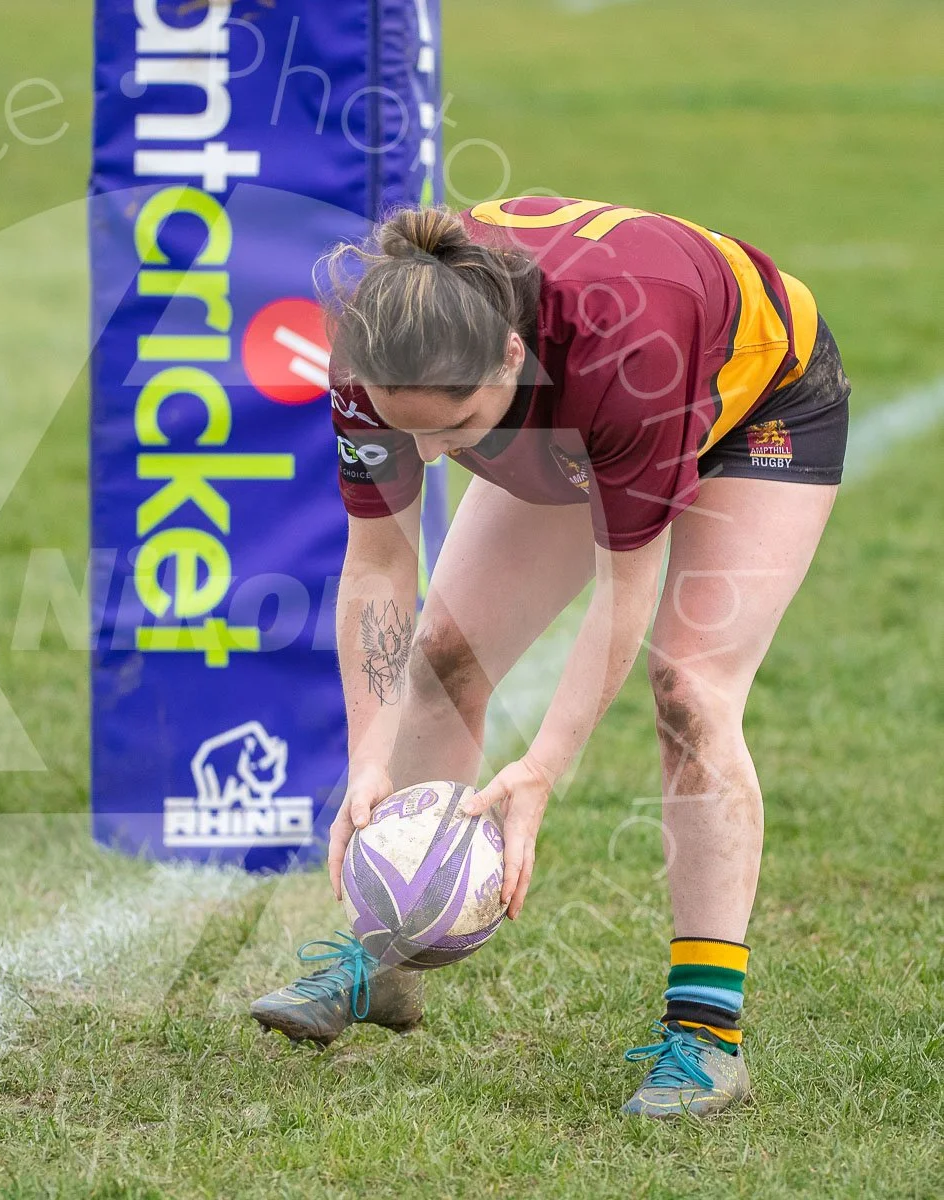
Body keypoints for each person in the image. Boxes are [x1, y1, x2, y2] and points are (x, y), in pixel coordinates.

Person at [249, 195, 849, 1118]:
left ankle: (705, 1036)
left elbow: (623, 591)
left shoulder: (627, 353)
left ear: (512, 357)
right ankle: (388, 960)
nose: (432, 458)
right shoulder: (377, 344)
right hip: (565, 412)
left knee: (689, 690)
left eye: (455, 429)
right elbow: (376, 564)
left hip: (759, 401)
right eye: (409, 431)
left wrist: (543, 768)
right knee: (446, 652)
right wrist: (368, 752)